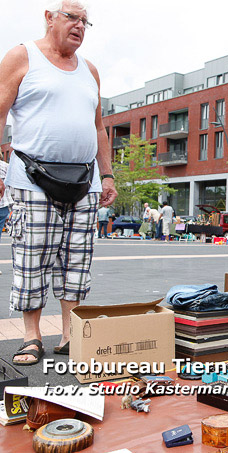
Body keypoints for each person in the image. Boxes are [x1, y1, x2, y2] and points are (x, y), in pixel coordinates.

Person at [0, 0, 117, 366]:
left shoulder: (90, 70)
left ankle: (70, 334)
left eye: (86, 21)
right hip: (32, 177)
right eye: (72, 17)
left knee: (77, 261)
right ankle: (32, 336)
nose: (80, 25)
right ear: (49, 18)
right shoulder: (22, 57)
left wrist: (108, 173)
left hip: (84, 178)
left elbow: (99, 127)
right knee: (32, 257)